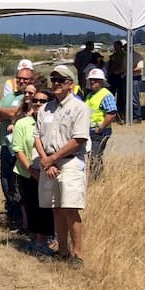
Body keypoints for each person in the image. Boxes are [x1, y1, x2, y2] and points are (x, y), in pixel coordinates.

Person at [37, 68, 90, 265]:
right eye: (54, 79)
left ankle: (78, 254)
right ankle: (62, 250)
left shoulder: (79, 108)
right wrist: (46, 159)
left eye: (61, 80)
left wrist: (53, 158)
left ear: (70, 83)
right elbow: (37, 136)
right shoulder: (45, 108)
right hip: (49, 163)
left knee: (71, 208)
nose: (56, 83)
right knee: (56, 208)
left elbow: (78, 139)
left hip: (70, 162)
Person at [12, 78, 55, 256]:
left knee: (47, 208)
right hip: (27, 173)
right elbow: (18, 149)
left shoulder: (53, 122)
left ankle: (46, 239)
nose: (37, 103)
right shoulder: (23, 123)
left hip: (50, 171)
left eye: (42, 101)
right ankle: (36, 240)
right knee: (31, 206)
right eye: (35, 100)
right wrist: (31, 170)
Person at [0, 65, 34, 231]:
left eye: (26, 79)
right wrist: (4, 110)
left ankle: (25, 219)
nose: (22, 81)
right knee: (6, 180)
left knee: (22, 182)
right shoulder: (9, 97)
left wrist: (6, 112)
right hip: (6, 144)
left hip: (24, 148)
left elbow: (22, 112)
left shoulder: (34, 96)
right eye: (20, 78)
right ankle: (12, 213)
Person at [83, 68, 118, 179]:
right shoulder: (90, 95)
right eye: (91, 79)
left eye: (96, 80)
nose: (93, 82)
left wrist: (100, 128)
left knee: (95, 156)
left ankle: (97, 179)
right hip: (90, 130)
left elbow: (112, 113)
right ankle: (95, 177)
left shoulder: (105, 95)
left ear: (102, 81)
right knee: (91, 156)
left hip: (99, 132)